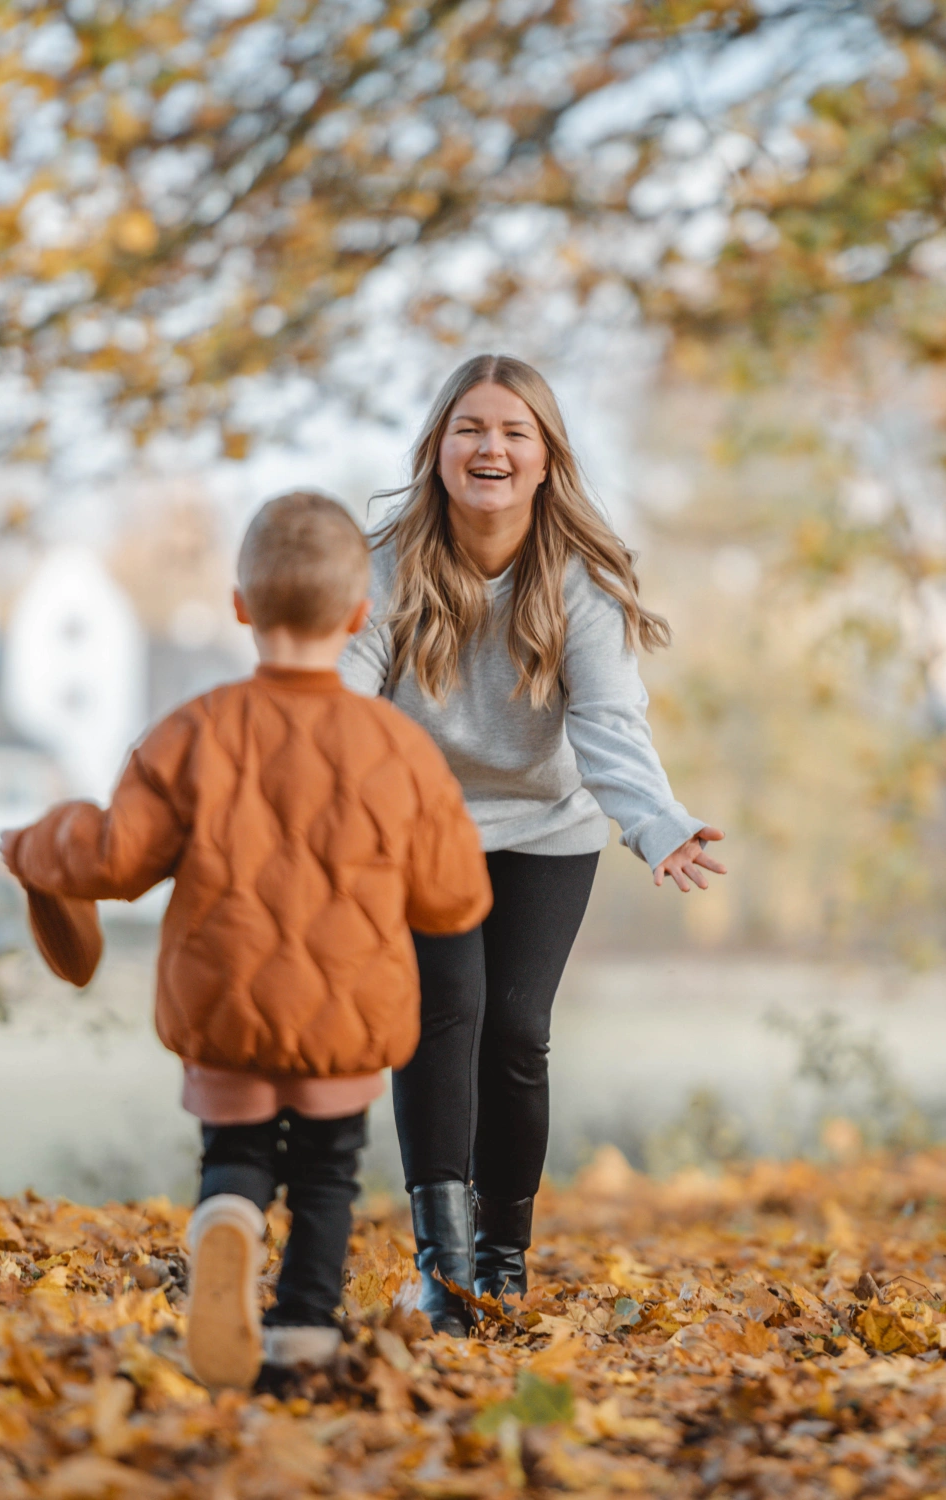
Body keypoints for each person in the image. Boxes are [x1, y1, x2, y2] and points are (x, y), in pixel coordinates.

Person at [0, 493, 492, 1387]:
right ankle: (302, 1327)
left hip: (223, 1000)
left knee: (235, 1152)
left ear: (239, 606)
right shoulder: (397, 746)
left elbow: (113, 854)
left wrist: (36, 844)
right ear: (358, 615)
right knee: (327, 1175)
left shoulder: (193, 731)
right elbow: (455, 899)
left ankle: (226, 1214)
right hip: (343, 1011)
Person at [341, 354, 726, 1335]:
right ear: (438, 450)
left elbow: (609, 725)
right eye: (471, 428)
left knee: (514, 1029)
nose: (491, 448)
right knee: (444, 1012)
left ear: (546, 458)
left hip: (547, 834)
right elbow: (337, 697)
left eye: (514, 432)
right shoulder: (385, 567)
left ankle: (500, 1261)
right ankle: (445, 1268)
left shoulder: (579, 585)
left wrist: (655, 824)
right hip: (422, 834)